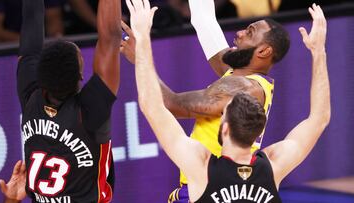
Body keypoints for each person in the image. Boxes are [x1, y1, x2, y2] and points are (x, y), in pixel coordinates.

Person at [128, 0, 330, 202]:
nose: (240, 33)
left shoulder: (242, 88)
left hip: (205, 182)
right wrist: (318, 50)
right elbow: (204, 20)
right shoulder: (242, 76)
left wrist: (141, 53)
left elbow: (167, 105)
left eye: (250, 32)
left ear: (263, 51)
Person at [16, 0, 121, 201]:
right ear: (80, 77)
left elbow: (30, 26)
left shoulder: (31, 98)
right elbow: (109, 37)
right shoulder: (89, 111)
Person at [0, 0, 64, 43]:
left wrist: (56, 41)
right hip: (7, 51)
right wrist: (30, 43)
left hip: (43, 48)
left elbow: (54, 24)